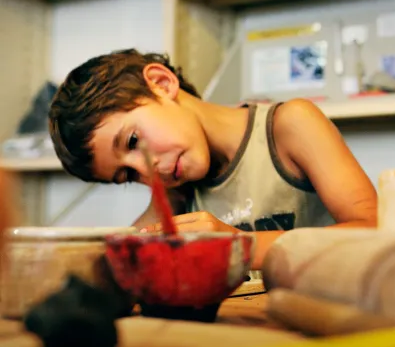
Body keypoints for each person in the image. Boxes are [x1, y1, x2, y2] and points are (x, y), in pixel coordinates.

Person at [48, 49, 378, 269]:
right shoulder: (177, 183)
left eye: (133, 141)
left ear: (162, 84)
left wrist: (240, 246)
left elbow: (376, 230)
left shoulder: (288, 125)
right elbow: (131, 247)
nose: (148, 173)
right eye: (128, 176)